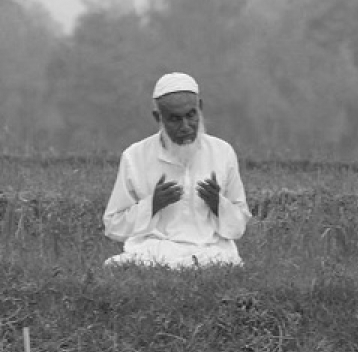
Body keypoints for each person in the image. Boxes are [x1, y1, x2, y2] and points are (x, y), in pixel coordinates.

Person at [103, 72, 251, 268]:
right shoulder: (135, 156)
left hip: (210, 250)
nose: (186, 126)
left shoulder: (222, 152)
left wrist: (218, 204)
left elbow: (239, 225)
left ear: (200, 108)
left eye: (191, 115)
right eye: (175, 119)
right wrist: (153, 205)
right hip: (154, 250)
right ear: (158, 117)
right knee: (117, 265)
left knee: (224, 262)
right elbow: (113, 225)